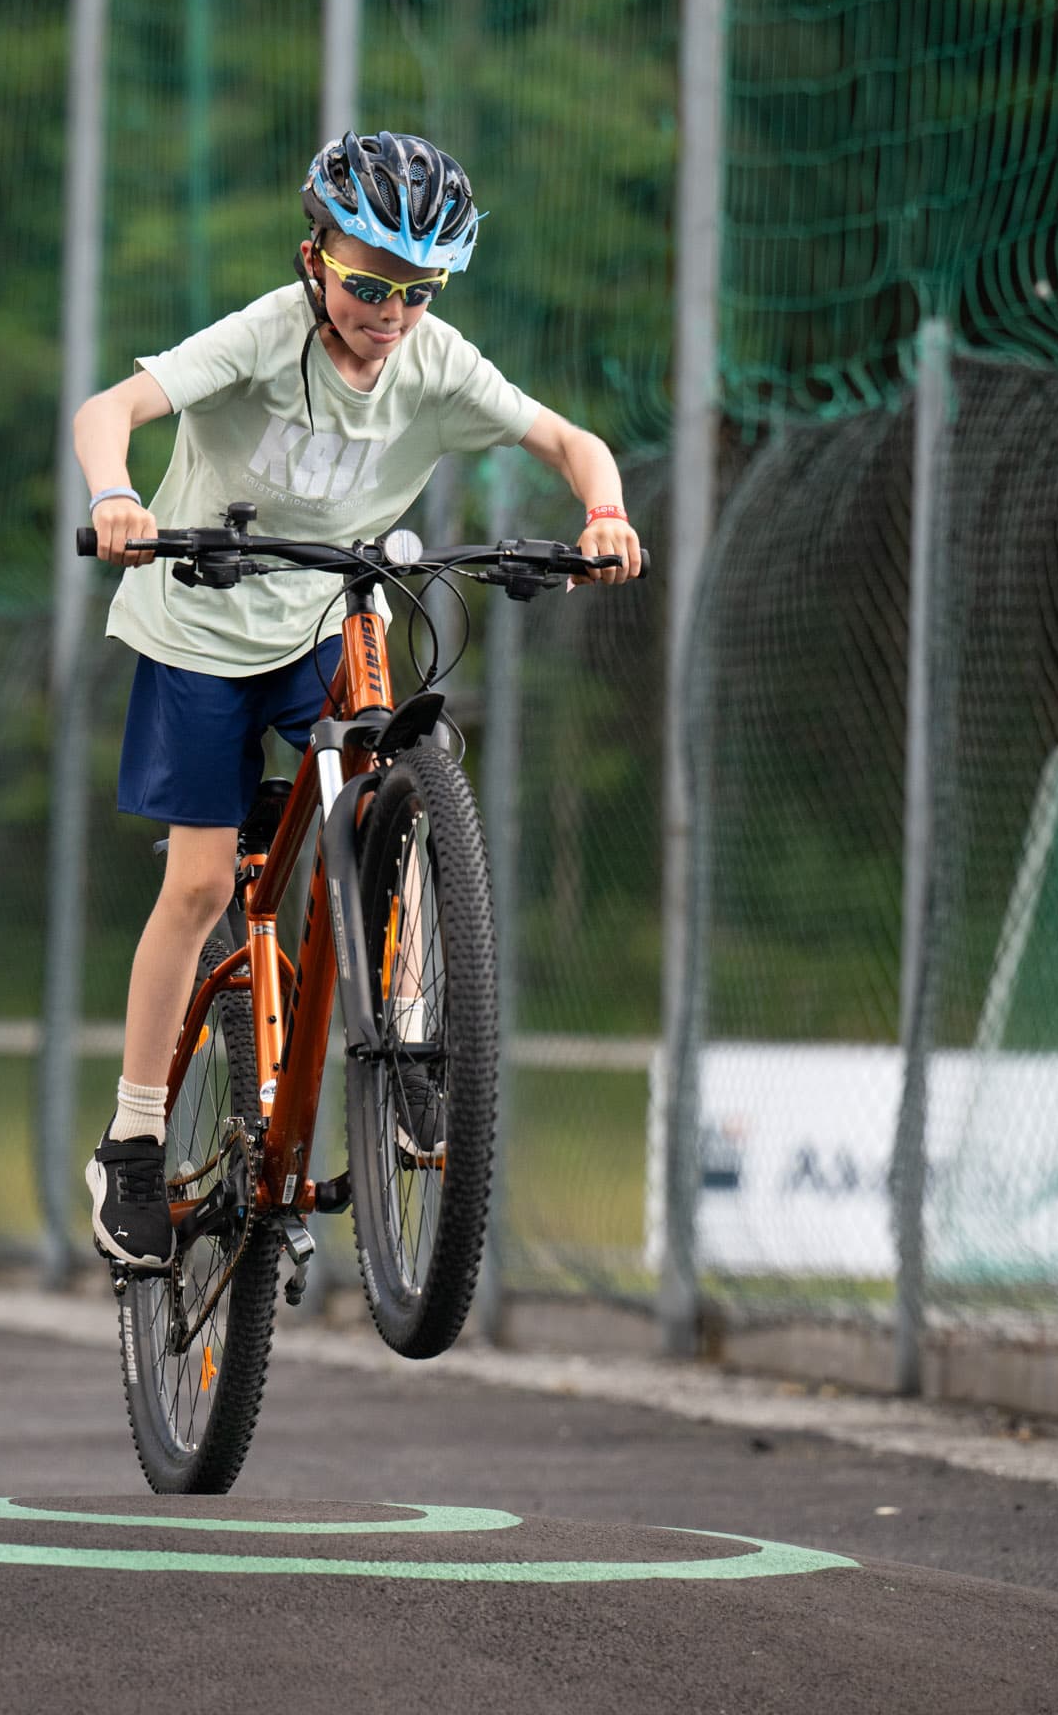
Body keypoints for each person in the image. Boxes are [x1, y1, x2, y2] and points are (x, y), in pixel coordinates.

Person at [72, 129, 644, 1269]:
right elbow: (108, 409)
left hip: (326, 608)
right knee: (197, 884)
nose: (390, 311)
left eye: (418, 291)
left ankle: (412, 1037)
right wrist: (117, 494)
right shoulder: (267, 334)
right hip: (201, 618)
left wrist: (606, 511)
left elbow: (570, 441)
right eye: (369, 281)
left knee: (398, 761)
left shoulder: (436, 362)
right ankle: (132, 1139)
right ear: (315, 258)